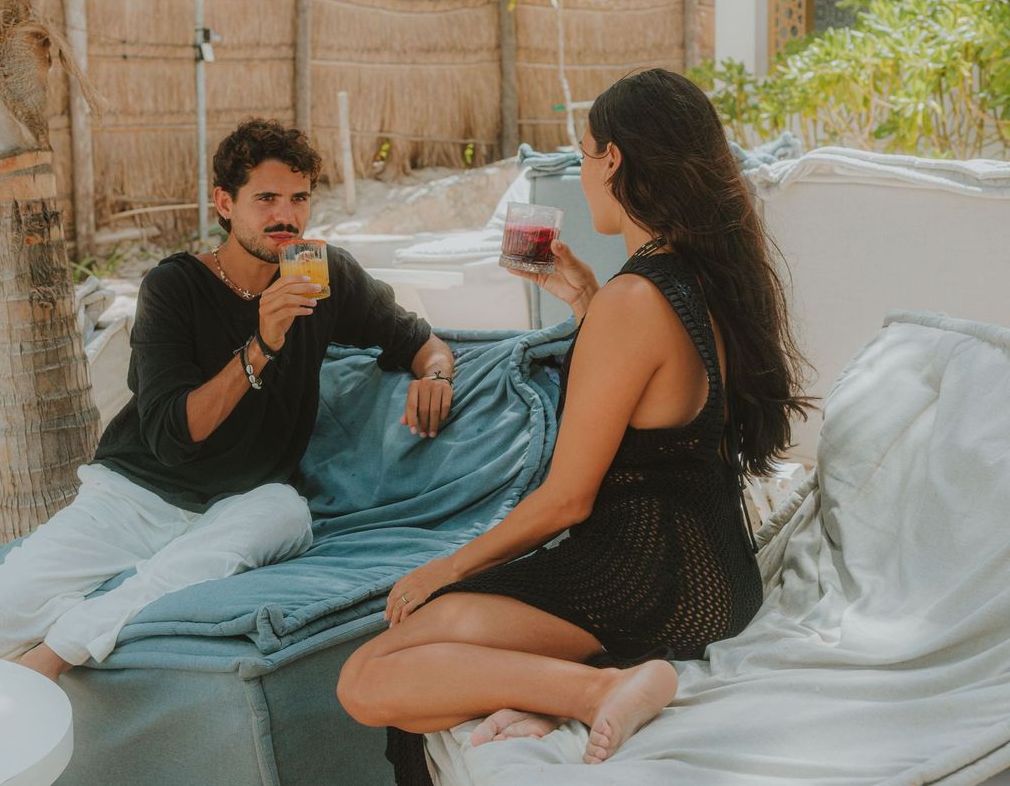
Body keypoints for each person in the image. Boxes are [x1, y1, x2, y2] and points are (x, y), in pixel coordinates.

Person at [336, 68, 812, 773]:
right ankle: (564, 690)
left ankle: (603, 686)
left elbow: (568, 499)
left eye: (585, 152)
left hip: (643, 582)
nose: (584, 173)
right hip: (717, 581)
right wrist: (588, 304)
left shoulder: (636, 300)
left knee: (367, 677)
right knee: (430, 663)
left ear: (612, 159)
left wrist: (449, 566)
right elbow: (661, 411)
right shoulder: (708, 281)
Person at [0, 118, 456, 682]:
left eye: (299, 198)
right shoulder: (174, 288)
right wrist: (263, 343)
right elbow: (174, 436)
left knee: (285, 512)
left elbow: (418, 340)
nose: (286, 217)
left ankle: (59, 650)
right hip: (139, 492)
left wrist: (436, 377)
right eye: (265, 198)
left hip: (244, 502)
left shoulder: (325, 275)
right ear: (225, 202)